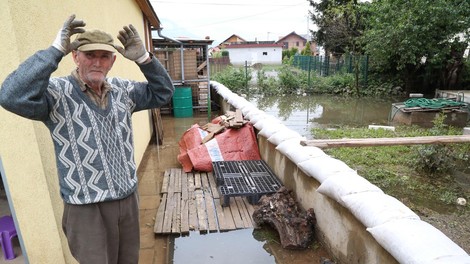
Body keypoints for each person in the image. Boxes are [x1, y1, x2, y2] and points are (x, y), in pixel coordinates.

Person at [0, 14, 174, 263]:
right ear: (75, 56)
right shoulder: (55, 94)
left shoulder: (123, 91)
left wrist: (145, 60)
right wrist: (54, 50)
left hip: (127, 201)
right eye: (89, 55)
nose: (97, 62)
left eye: (104, 56)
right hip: (85, 208)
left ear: (112, 61)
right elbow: (10, 96)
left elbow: (164, 93)